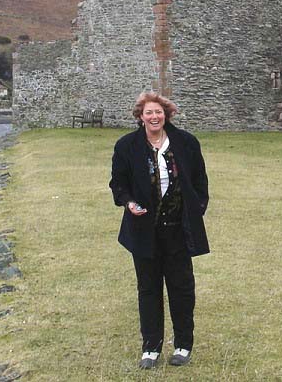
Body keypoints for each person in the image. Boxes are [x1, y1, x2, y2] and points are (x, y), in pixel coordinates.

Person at [109, 91, 210, 369]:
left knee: (181, 288)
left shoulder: (186, 143)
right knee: (149, 289)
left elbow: (200, 182)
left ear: (166, 114)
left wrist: (195, 209)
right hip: (143, 231)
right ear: (140, 117)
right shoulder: (126, 146)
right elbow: (118, 183)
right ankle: (150, 348)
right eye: (149, 113)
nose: (154, 117)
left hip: (178, 231)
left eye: (159, 112)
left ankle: (183, 345)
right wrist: (129, 203)